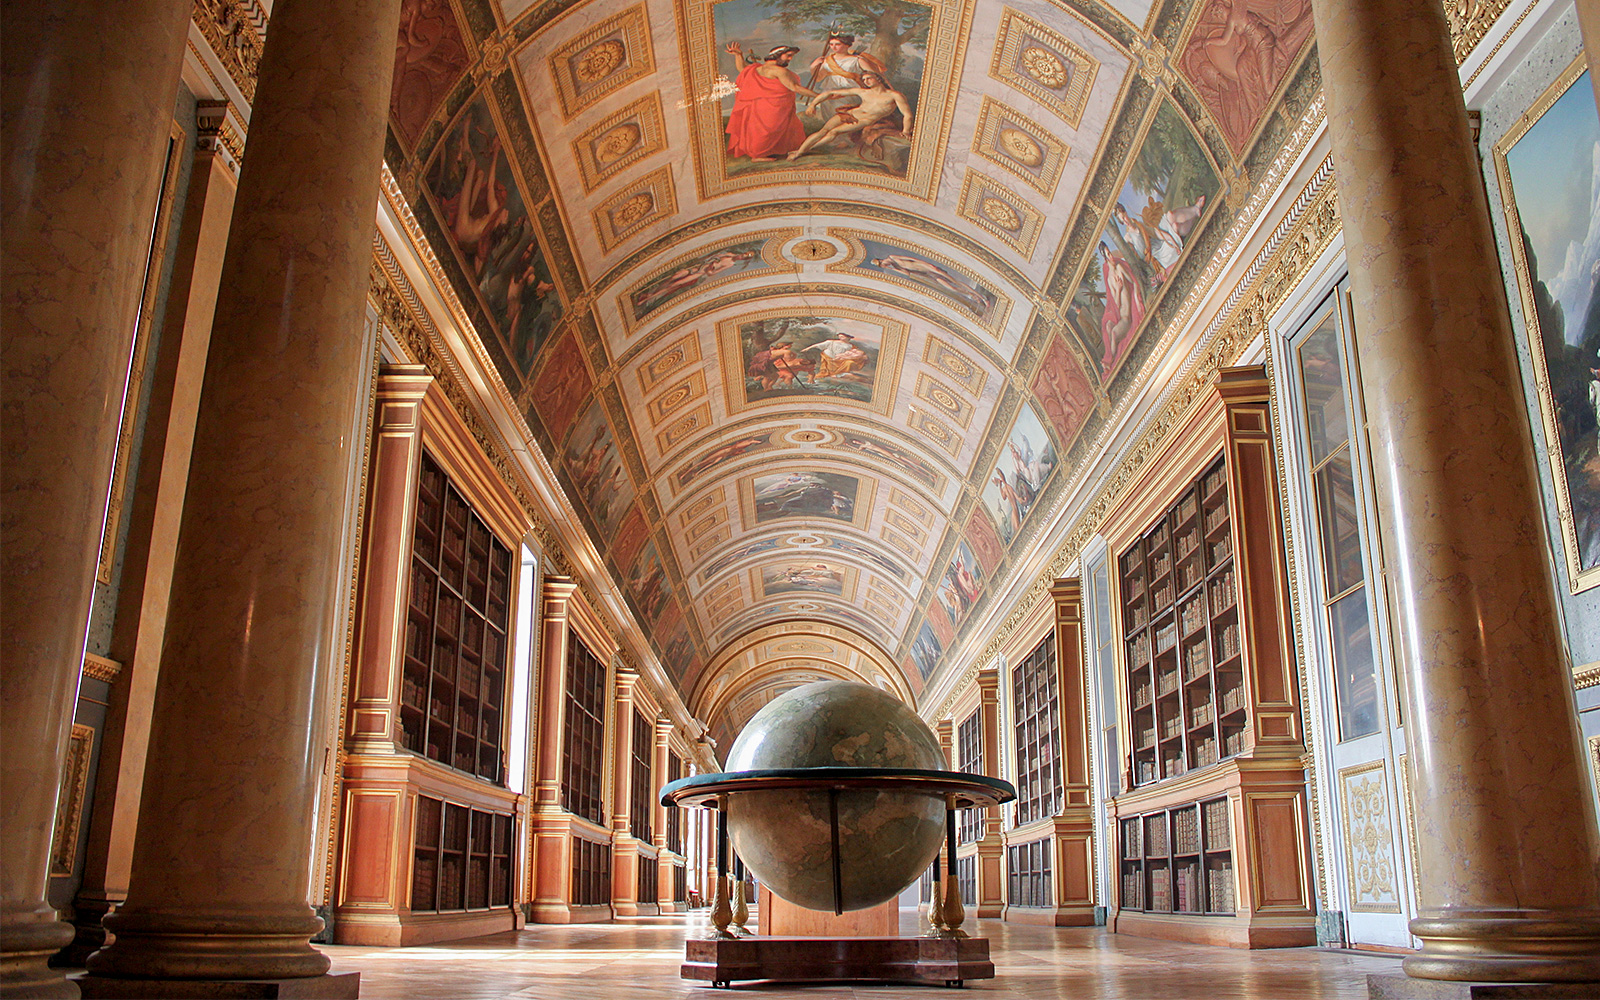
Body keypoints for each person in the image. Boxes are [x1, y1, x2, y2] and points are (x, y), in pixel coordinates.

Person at [786, 71, 911, 161]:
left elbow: (907, 115)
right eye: (864, 79)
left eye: (869, 78)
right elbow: (831, 93)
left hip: (864, 120)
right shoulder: (863, 92)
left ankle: (802, 151)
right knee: (823, 130)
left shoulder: (894, 95)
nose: (866, 81)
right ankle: (800, 151)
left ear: (878, 79)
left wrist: (905, 131)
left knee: (833, 132)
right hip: (849, 114)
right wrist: (813, 104)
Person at [724, 43, 818, 161]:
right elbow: (795, 87)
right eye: (788, 55)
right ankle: (758, 155)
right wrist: (818, 96)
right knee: (769, 130)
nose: (790, 59)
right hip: (773, 107)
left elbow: (743, 69)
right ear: (777, 55)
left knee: (770, 129)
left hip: (762, 106)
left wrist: (738, 56)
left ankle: (784, 149)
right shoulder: (778, 71)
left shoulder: (757, 67)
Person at [870, 253, 994, 313]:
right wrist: (894, 268)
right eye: (883, 266)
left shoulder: (893, 257)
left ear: (881, 261)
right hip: (929, 274)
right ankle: (973, 295)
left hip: (929, 268)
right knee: (952, 288)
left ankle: (983, 298)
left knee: (956, 282)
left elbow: (913, 260)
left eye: (883, 264)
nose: (884, 266)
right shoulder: (894, 265)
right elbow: (908, 274)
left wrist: (931, 266)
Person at [1099, 244, 1145, 371]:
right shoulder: (1110, 279)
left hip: (1127, 318)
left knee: (1113, 333)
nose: (1112, 256)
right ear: (1105, 258)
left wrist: (1136, 299)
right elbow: (1117, 304)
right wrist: (1118, 290)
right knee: (1108, 326)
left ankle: (1111, 362)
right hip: (1121, 316)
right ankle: (1109, 357)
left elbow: (1133, 282)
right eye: (1108, 255)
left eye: (1111, 253)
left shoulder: (1119, 268)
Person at [806, 31, 888, 95]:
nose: (833, 47)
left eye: (837, 44)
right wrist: (813, 67)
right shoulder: (827, 60)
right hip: (830, 93)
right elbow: (818, 79)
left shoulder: (857, 60)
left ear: (847, 45)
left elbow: (875, 76)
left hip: (852, 92)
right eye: (831, 44)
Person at [801, 332, 869, 379]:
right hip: (829, 358)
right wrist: (808, 348)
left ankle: (841, 373)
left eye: (842, 336)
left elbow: (858, 353)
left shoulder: (851, 346)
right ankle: (833, 374)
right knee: (828, 370)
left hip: (841, 359)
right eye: (839, 336)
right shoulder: (831, 342)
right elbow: (818, 345)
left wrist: (863, 356)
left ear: (847, 337)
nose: (840, 337)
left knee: (849, 363)